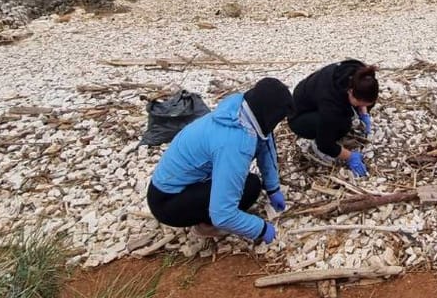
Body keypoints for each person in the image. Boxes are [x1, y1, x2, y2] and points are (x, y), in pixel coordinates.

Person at [147, 77, 292, 243]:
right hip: (168, 203)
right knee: (250, 187)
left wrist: (273, 188)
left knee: (246, 183)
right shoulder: (236, 142)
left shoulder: (240, 110)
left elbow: (265, 141)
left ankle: (201, 212)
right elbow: (223, 214)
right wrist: (261, 229)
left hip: (170, 187)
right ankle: (205, 226)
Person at [288, 59, 378, 178]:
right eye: (359, 103)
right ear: (350, 91)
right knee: (340, 125)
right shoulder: (331, 104)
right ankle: (316, 142)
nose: (362, 106)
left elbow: (364, 97)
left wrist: (364, 114)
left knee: (345, 121)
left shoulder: (361, 74)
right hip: (299, 116)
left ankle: (331, 127)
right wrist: (350, 156)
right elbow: (325, 144)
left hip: (318, 100)